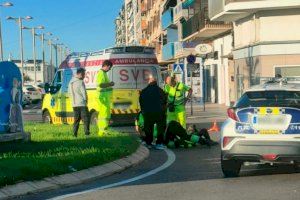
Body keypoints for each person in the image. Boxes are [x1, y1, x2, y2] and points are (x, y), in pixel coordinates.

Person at [139, 76, 167, 150]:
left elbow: (141, 102)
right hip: (159, 113)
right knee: (160, 128)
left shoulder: (143, 91)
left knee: (148, 128)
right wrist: (163, 111)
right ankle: (159, 143)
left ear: (149, 82)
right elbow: (165, 101)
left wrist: (143, 111)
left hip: (147, 113)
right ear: (156, 82)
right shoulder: (160, 91)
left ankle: (148, 143)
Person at [68, 68, 90, 137]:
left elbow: (69, 93)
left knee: (76, 121)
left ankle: (74, 135)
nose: (84, 76)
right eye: (83, 74)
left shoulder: (70, 82)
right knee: (85, 119)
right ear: (79, 74)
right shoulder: (80, 82)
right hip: (82, 104)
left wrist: (73, 101)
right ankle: (87, 134)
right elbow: (84, 93)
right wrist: (86, 100)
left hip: (74, 105)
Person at [96, 60, 114, 136]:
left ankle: (104, 130)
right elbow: (101, 85)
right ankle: (101, 131)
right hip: (103, 98)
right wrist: (110, 84)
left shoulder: (104, 73)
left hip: (105, 99)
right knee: (103, 115)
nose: (109, 70)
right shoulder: (101, 73)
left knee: (106, 115)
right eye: (109, 68)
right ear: (107, 66)